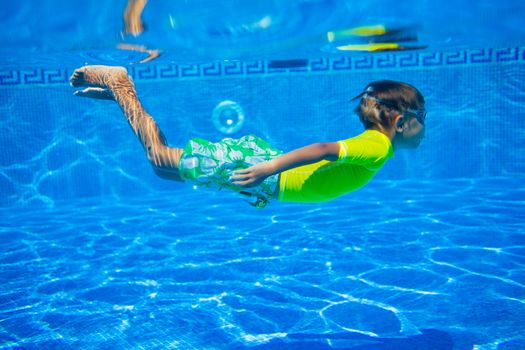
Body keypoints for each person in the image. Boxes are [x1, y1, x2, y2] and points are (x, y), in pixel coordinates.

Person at [70, 65, 426, 208]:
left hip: (266, 181)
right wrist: (267, 170)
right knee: (160, 159)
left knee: (163, 167)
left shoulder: (380, 148)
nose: (425, 126)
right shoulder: (378, 146)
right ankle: (120, 84)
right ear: (399, 119)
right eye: (421, 117)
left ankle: (122, 96)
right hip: (265, 174)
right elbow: (322, 150)